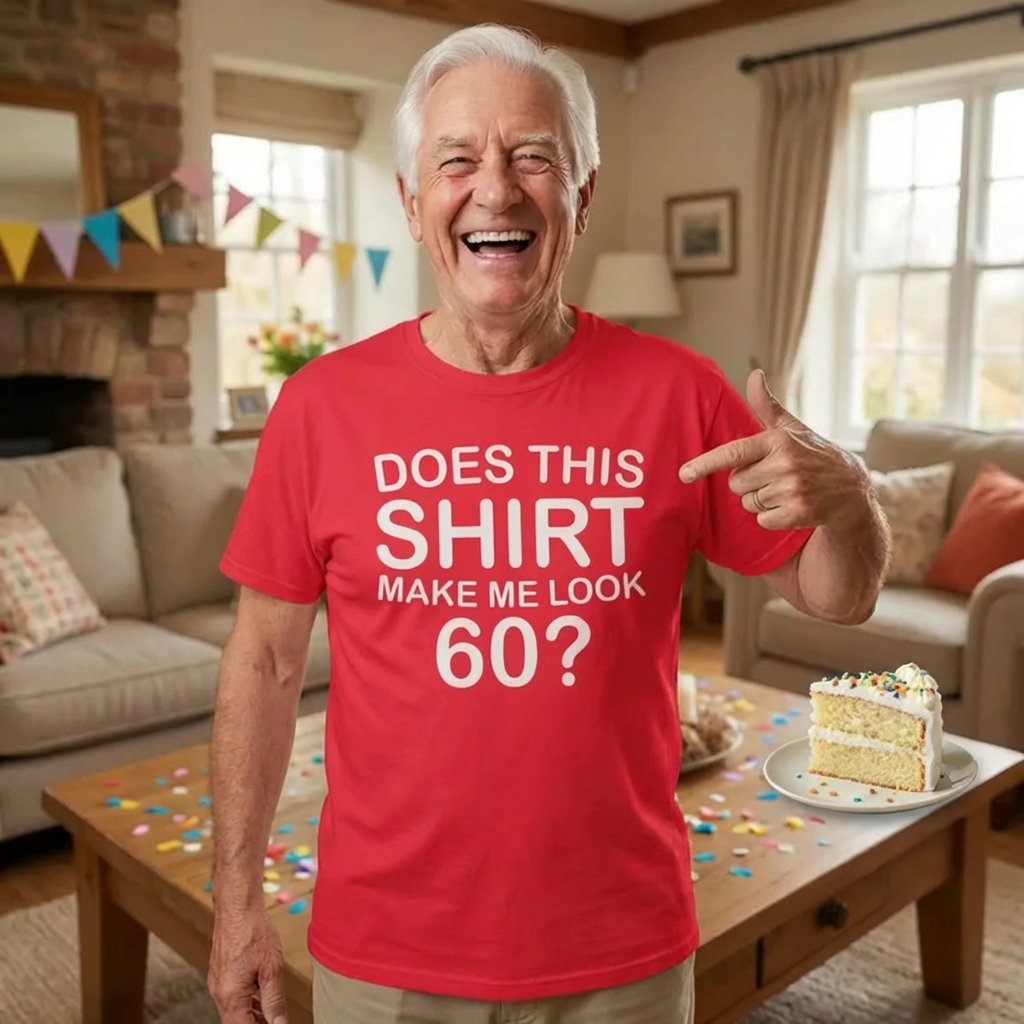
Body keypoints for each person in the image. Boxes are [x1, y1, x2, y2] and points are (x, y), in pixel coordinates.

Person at [207, 23, 890, 1024]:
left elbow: (839, 596)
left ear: (583, 192)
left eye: (533, 155)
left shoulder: (680, 393)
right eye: (456, 159)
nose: (496, 189)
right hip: (389, 951)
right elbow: (264, 663)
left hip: (621, 950)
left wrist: (853, 498)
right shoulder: (319, 407)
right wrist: (236, 903)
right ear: (410, 200)